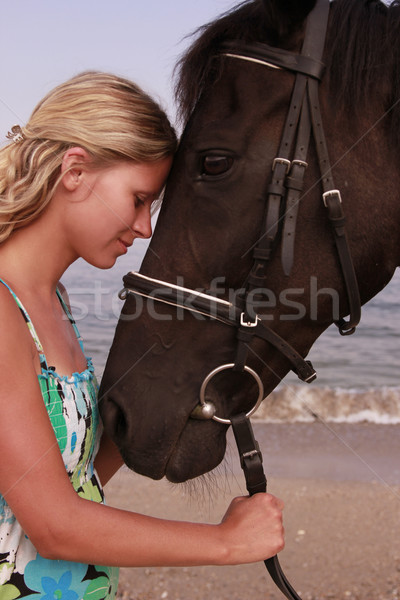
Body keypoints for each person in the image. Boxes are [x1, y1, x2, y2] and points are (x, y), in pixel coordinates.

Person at [0, 71, 284, 600]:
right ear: (75, 171)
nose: (146, 227)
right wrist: (226, 542)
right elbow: (55, 526)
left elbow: (78, 475)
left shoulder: (52, 302)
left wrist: (197, 387)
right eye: (138, 198)